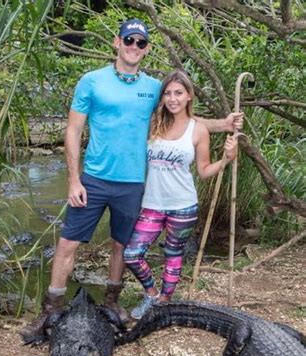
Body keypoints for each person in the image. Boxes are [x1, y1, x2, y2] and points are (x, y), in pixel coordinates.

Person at [21, 19, 242, 338]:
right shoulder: (91, 81)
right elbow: (73, 130)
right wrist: (73, 180)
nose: (133, 47)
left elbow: (181, 117)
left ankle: (112, 303)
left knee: (120, 245)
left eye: (140, 42)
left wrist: (222, 124)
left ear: (147, 48)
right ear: (117, 42)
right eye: (129, 40)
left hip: (134, 184)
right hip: (93, 180)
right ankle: (50, 310)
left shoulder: (153, 88)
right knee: (67, 243)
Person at [124, 70, 239, 319]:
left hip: (183, 205)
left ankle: (165, 301)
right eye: (167, 93)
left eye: (178, 93)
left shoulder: (198, 130)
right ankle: (151, 294)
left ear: (189, 96)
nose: (172, 98)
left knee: (173, 253)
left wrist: (226, 159)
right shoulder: (155, 123)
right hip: (152, 204)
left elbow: (204, 171)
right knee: (132, 254)